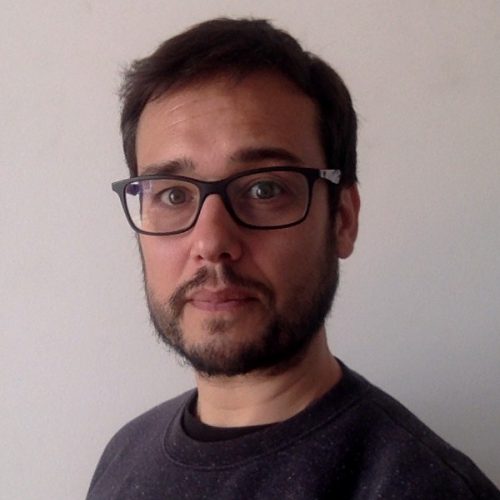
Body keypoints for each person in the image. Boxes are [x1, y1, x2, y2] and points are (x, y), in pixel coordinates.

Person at [87, 18, 499, 500]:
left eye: (265, 189)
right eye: (173, 195)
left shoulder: (424, 488)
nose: (211, 241)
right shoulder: (124, 454)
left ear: (342, 218)